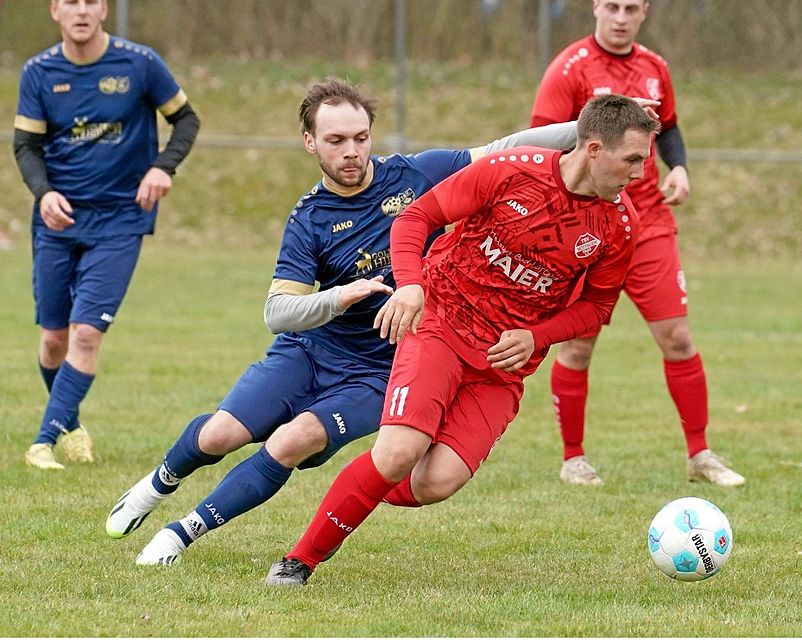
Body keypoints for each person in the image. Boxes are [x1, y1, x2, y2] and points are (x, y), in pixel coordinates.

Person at [104, 76, 585, 566]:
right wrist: (338, 297)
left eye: (361, 138)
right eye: (336, 141)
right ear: (310, 142)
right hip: (311, 352)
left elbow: (508, 148)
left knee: (294, 440)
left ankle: (179, 535)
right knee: (218, 436)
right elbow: (277, 313)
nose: (351, 151)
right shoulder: (309, 218)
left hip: (383, 370)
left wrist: (587, 130)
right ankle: (156, 485)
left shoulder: (418, 174)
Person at [264, 93, 661, 587]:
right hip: (443, 324)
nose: (641, 173)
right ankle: (298, 562)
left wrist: (536, 335)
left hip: (502, 364)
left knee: (437, 482)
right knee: (399, 452)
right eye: (633, 160)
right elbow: (415, 218)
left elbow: (597, 308)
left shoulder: (620, 225)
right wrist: (410, 283)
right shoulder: (512, 171)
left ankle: (361, 486)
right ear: (595, 150)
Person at [530, 0, 745, 487]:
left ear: (644, 11)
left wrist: (681, 167)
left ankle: (700, 455)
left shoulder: (655, 67)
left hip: (648, 224)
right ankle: (573, 458)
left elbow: (668, 127)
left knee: (678, 338)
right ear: (595, 8)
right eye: (612, 6)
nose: (620, 16)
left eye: (631, 7)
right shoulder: (569, 68)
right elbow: (540, 140)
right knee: (578, 344)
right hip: (587, 226)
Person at [14, 0, 200, 470]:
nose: (81, 10)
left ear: (104, 10)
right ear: (55, 10)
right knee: (54, 339)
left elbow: (186, 120)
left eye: (91, 1)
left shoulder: (139, 63)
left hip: (120, 221)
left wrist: (162, 167)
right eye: (70, 1)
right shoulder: (38, 72)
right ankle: (71, 424)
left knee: (86, 333)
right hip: (58, 222)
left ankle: (43, 442)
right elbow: (27, 145)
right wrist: (42, 193)